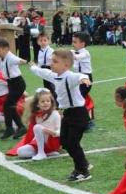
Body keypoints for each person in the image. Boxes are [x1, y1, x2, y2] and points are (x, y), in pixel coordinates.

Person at [30, 50, 92, 182]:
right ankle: (83, 163)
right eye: (51, 61)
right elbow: (43, 72)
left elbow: (79, 76)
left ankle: (82, 171)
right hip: (67, 114)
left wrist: (84, 79)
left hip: (78, 114)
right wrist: (33, 67)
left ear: (66, 65)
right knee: (64, 141)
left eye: (55, 61)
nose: (51, 64)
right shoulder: (54, 76)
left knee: (73, 143)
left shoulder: (70, 77)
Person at [8, 88, 62, 161]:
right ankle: (47, 152)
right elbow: (35, 134)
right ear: (37, 104)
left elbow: (60, 132)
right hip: (39, 142)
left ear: (51, 102)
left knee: (37, 127)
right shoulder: (36, 116)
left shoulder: (55, 114)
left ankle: (41, 153)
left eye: (48, 101)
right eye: (42, 101)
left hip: (52, 142)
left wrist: (52, 132)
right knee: (20, 152)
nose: (46, 103)